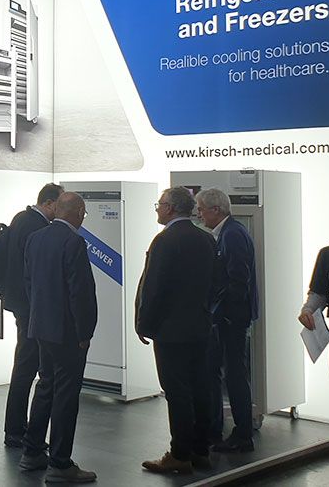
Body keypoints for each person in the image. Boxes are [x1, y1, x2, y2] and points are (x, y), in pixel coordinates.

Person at [137, 187, 221, 474]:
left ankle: (179, 454)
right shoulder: (206, 238)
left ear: (170, 208)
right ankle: (200, 450)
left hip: (170, 329)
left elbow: (154, 288)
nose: (158, 209)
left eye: (159, 204)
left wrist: (144, 323)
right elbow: (217, 282)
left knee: (177, 392)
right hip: (199, 326)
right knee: (200, 388)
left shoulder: (164, 241)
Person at [18, 192, 97, 483]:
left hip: (41, 327)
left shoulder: (35, 238)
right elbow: (80, 292)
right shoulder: (73, 242)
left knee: (45, 387)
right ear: (77, 211)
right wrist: (85, 331)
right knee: (65, 395)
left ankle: (32, 451)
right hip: (67, 332)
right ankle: (61, 463)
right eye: (83, 213)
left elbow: (29, 283)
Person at [196, 188, 258, 453]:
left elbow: (238, 278)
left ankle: (243, 434)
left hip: (231, 318)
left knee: (234, 375)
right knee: (222, 372)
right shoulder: (227, 233)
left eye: (201, 209)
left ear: (216, 209)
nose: (199, 215)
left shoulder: (232, 235)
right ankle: (218, 429)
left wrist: (228, 314)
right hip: (226, 316)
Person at [3, 182, 64, 448]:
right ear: (49, 203)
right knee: (26, 367)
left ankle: (17, 428)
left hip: (20, 304)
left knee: (24, 366)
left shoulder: (21, 219)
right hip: (30, 307)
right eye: (59, 205)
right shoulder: (37, 227)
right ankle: (16, 430)